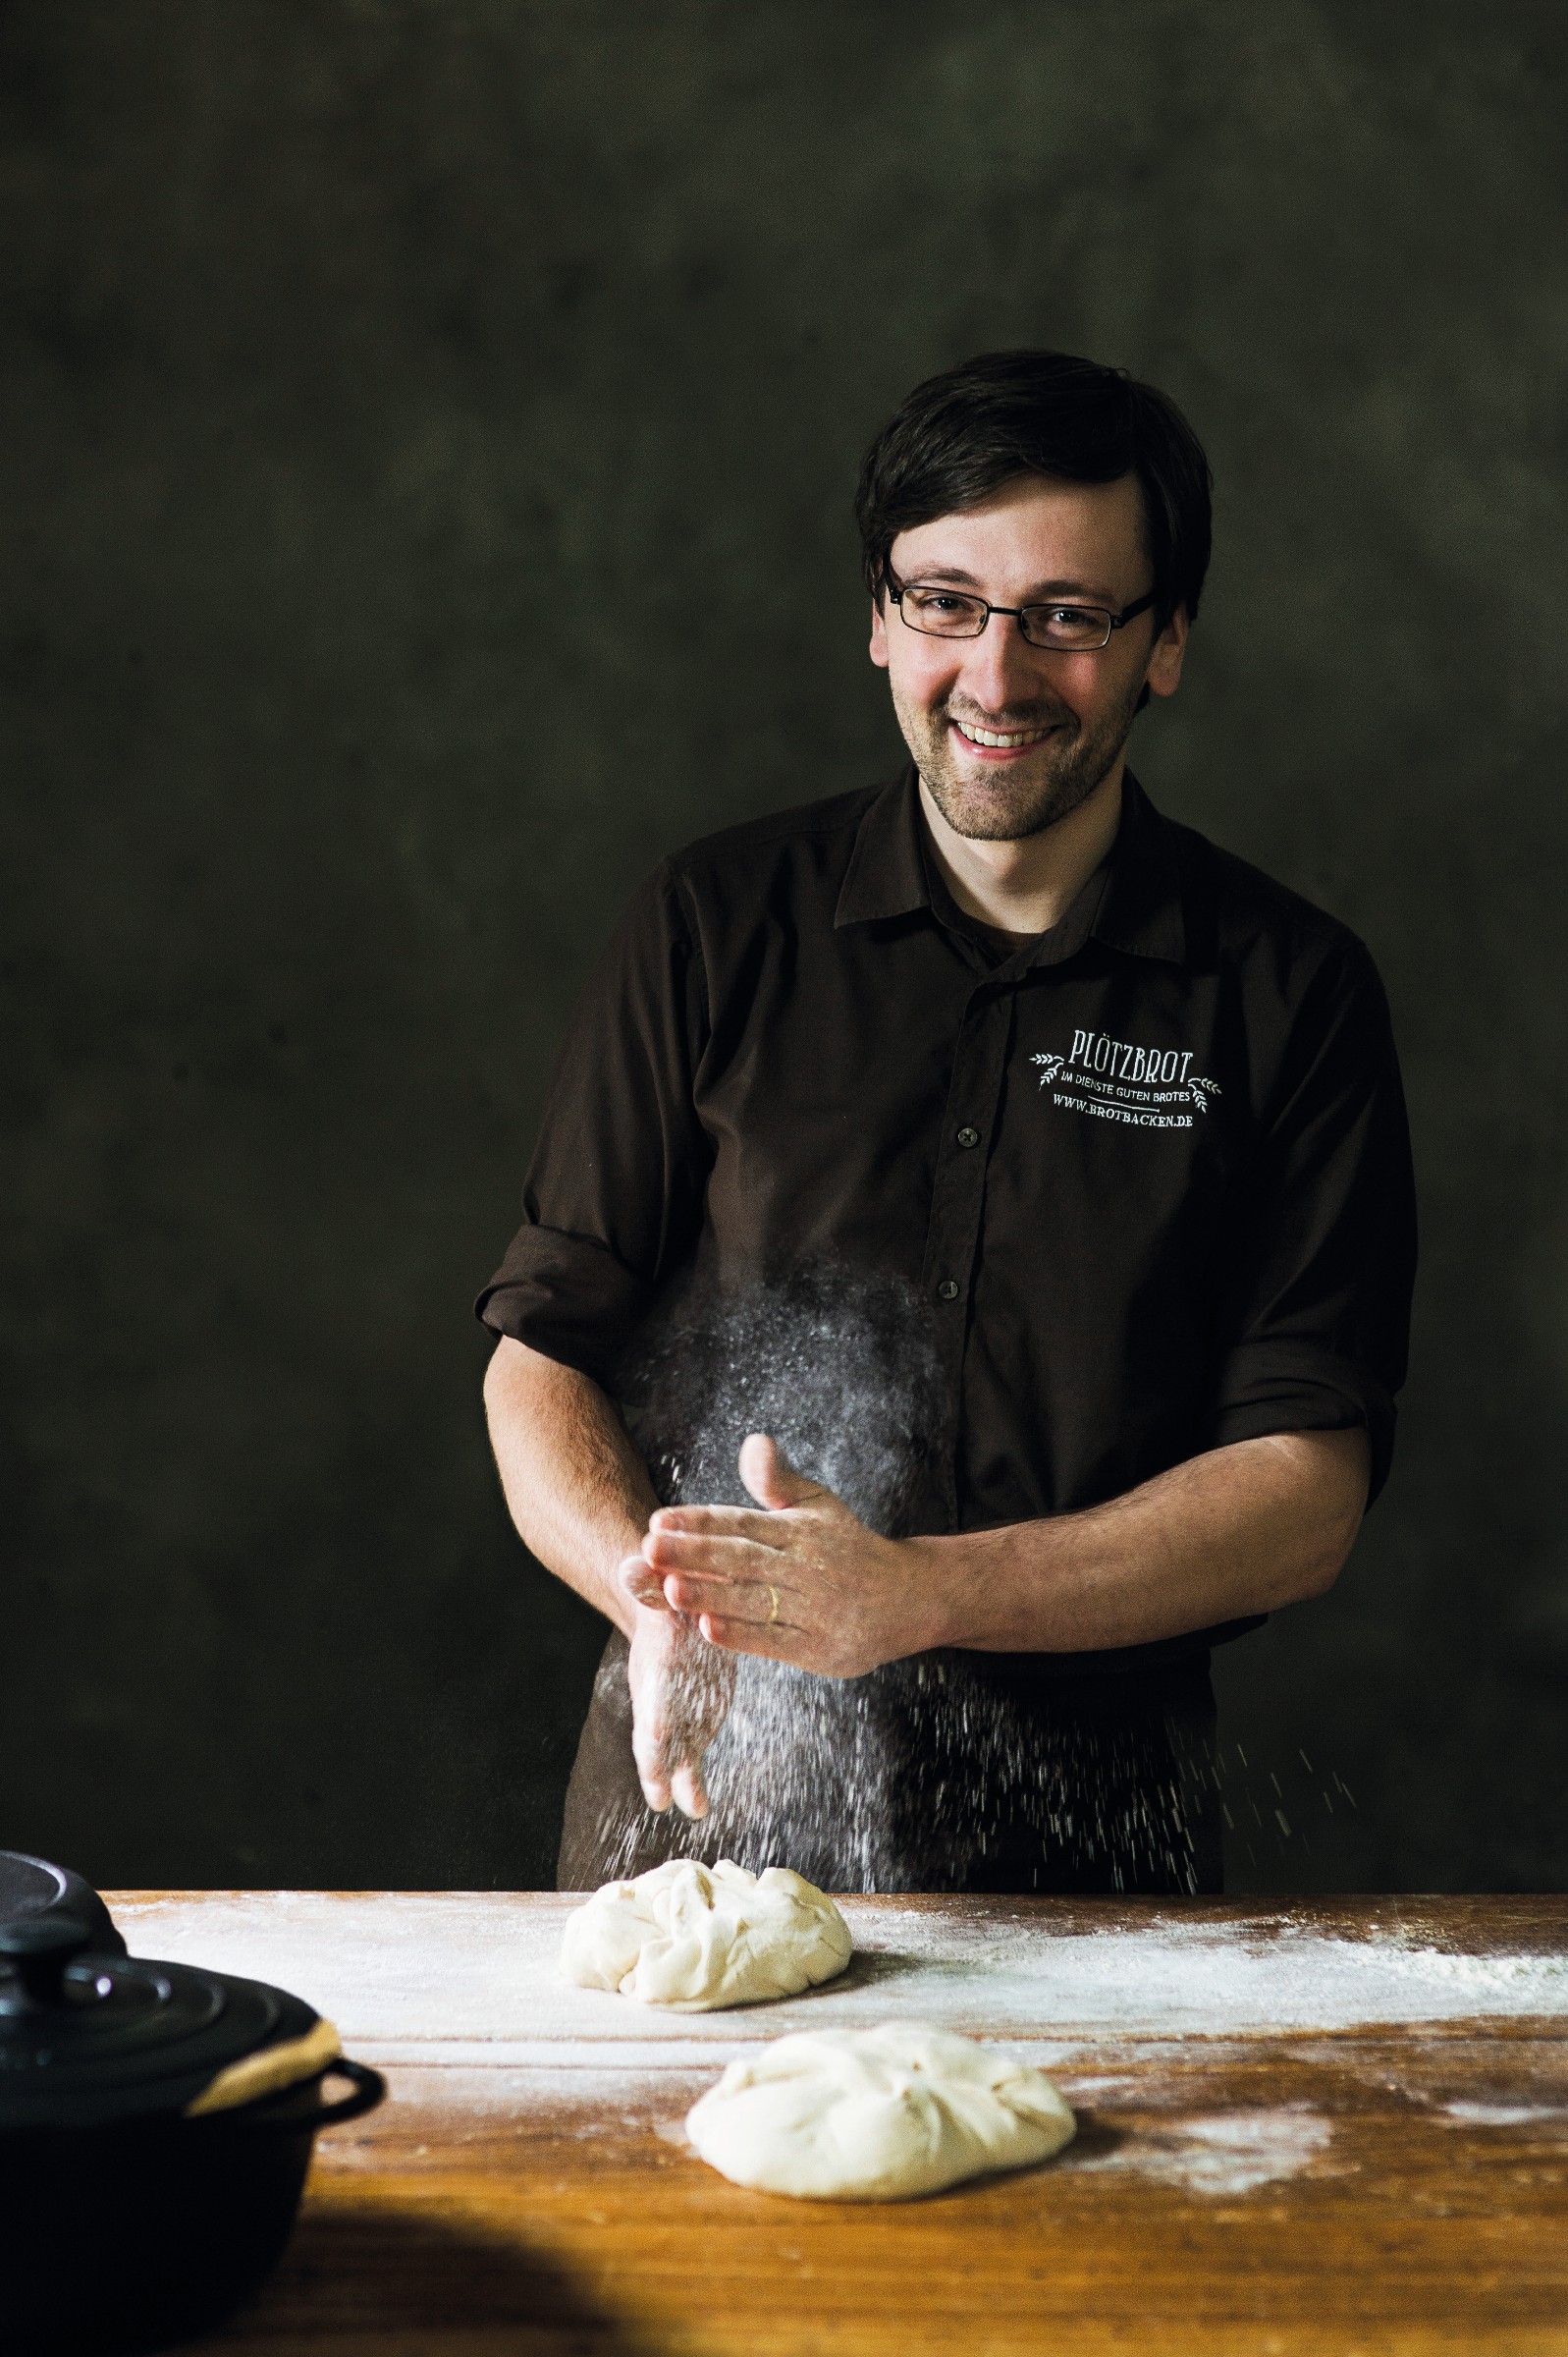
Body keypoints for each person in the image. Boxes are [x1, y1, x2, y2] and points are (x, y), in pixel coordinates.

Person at [478, 350, 1416, 1895]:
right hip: (703, 1796)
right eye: (944, 603)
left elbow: (1301, 1495)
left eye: (1067, 616)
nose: (994, 676)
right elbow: (542, 1356)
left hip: (1095, 1843)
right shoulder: (711, 923)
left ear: (1165, 642)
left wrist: (918, 1593)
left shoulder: (1287, 990)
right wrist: (651, 1600)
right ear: (878, 616)